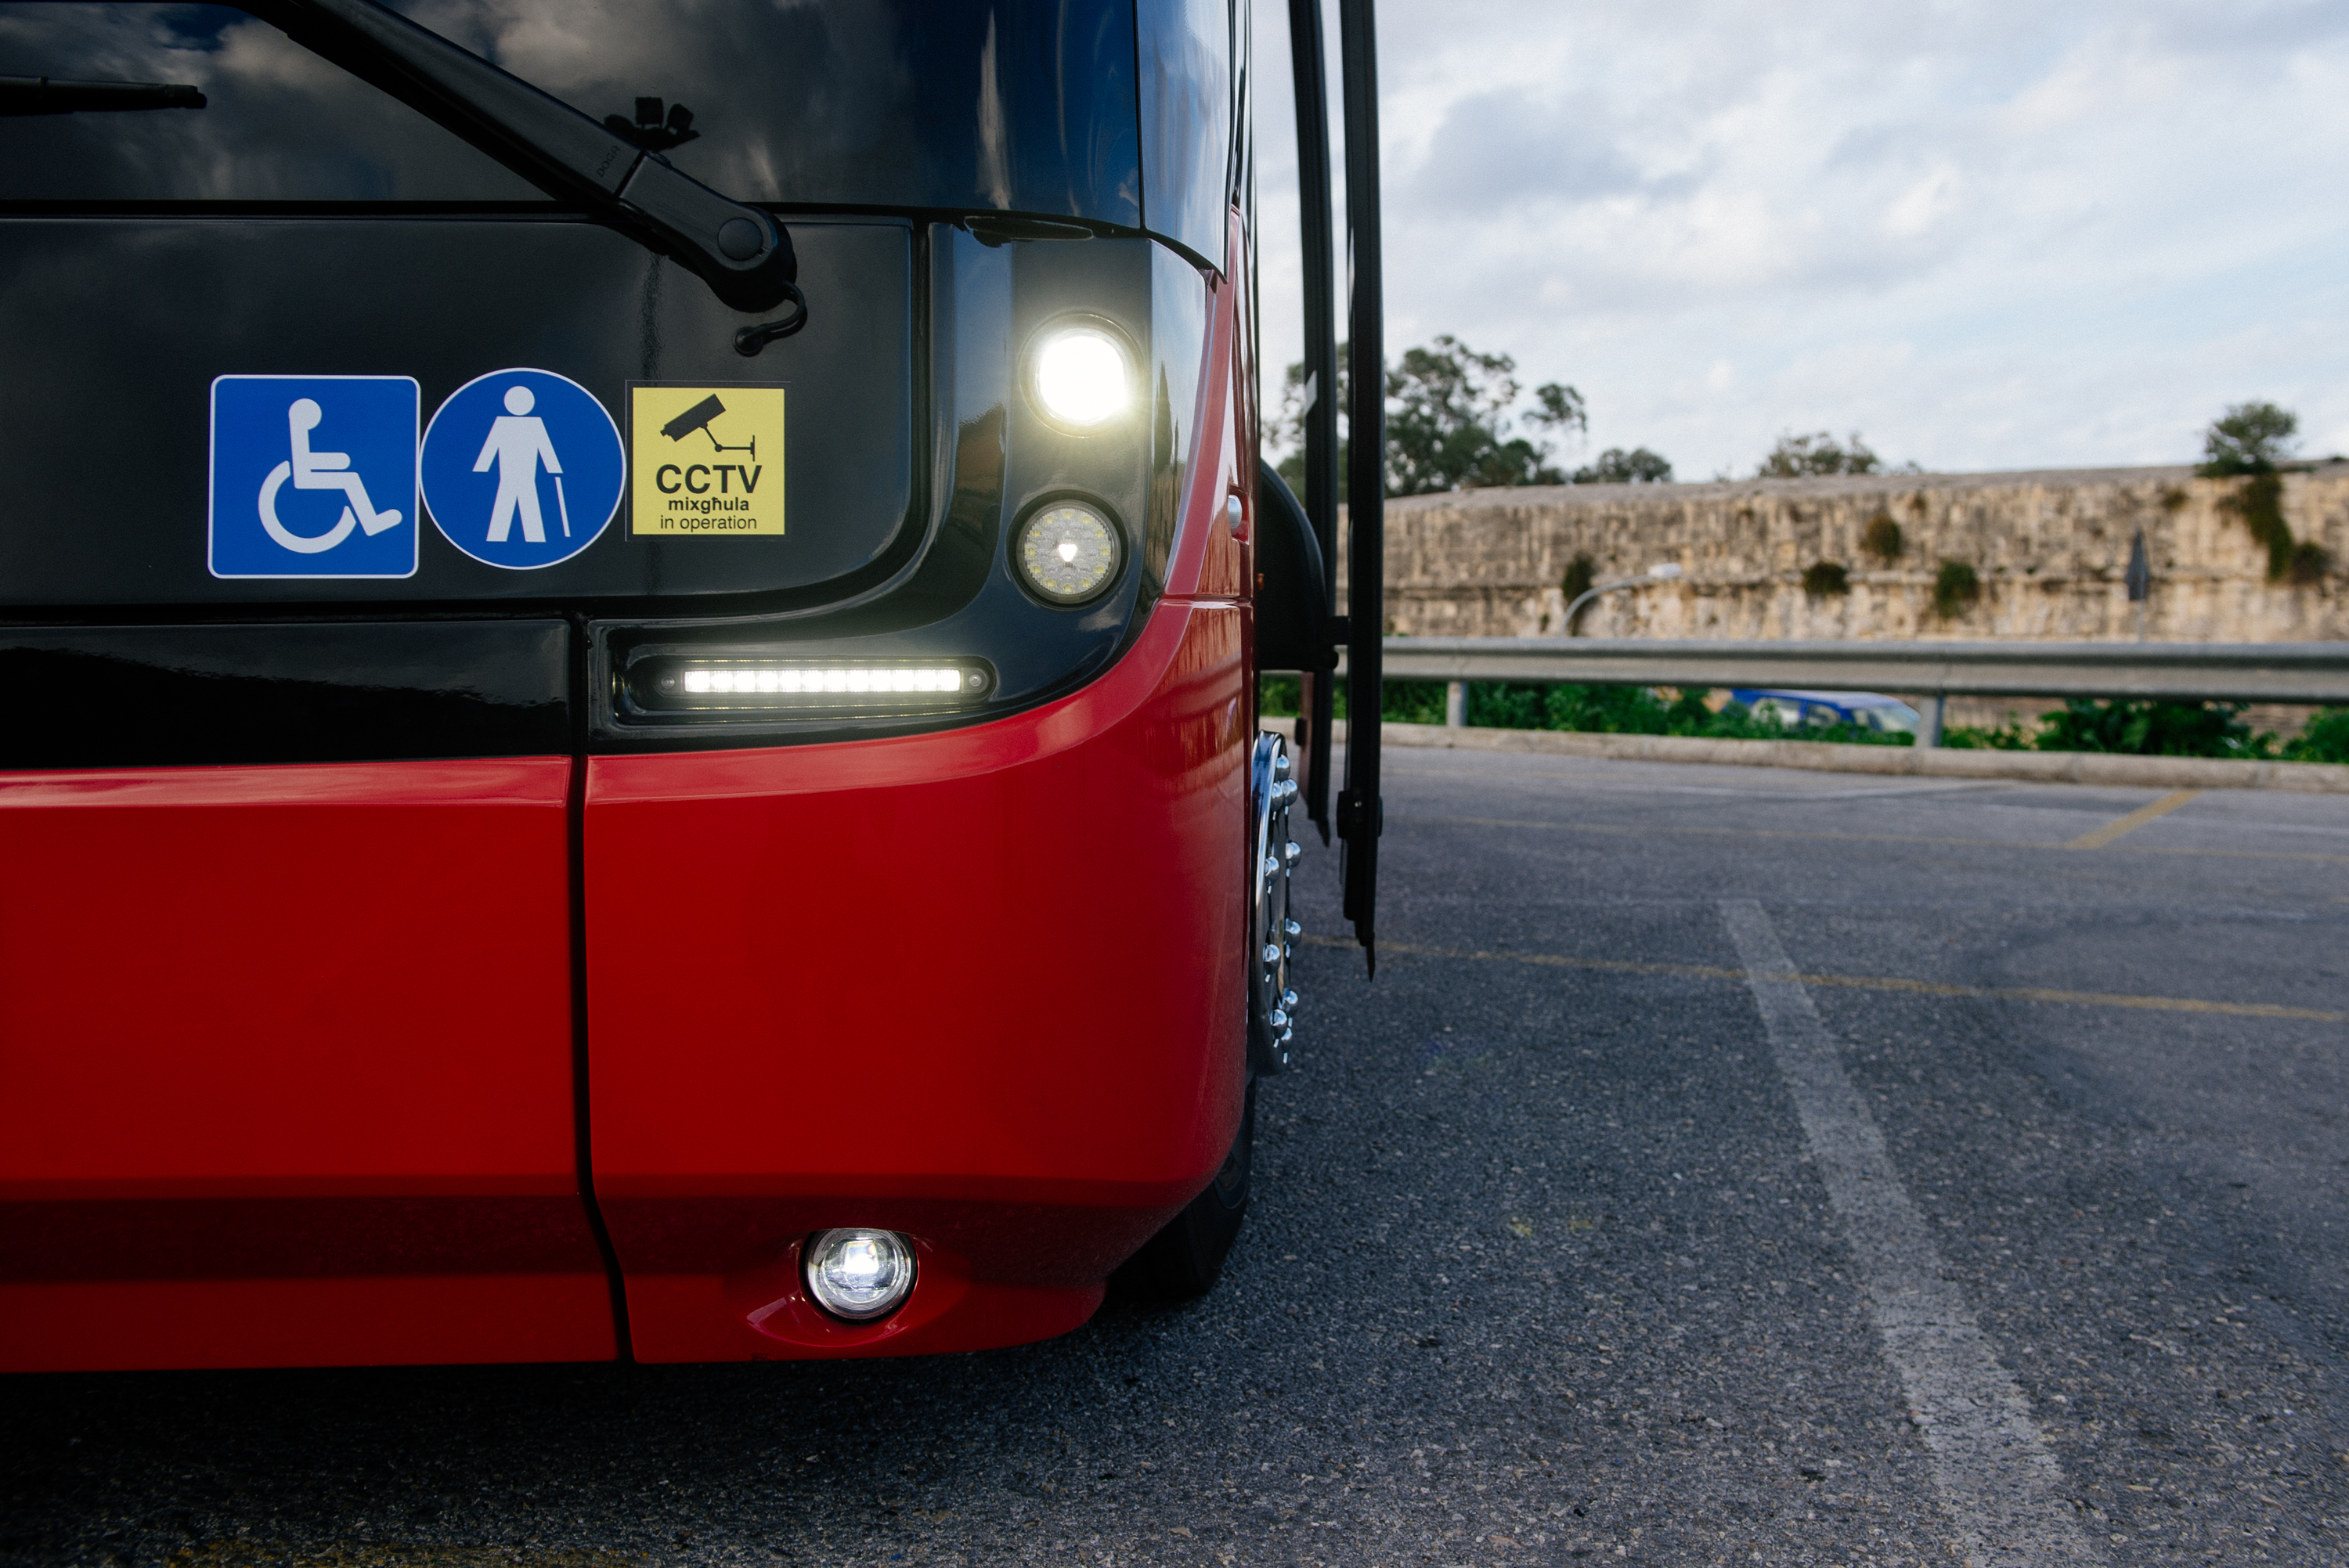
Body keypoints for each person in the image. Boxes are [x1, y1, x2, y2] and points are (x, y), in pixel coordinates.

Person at [473, 384, 564, 542]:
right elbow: (491, 447)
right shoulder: (503, 424)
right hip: (508, 477)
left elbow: (545, 448)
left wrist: (553, 467)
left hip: (527, 478)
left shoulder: (534, 425)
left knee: (528, 505)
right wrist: (482, 466)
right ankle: (499, 539)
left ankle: (532, 539)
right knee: (507, 504)